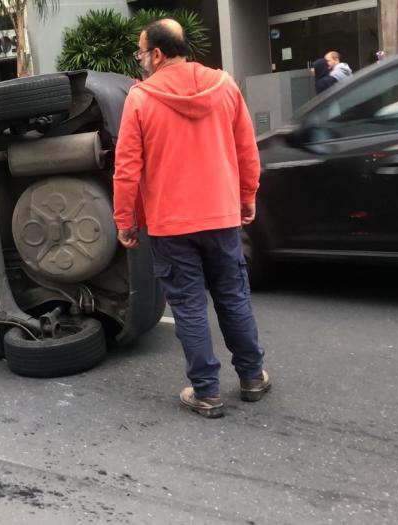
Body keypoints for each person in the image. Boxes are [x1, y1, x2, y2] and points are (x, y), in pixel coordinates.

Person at [113, 18, 270, 419]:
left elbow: (127, 167)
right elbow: (246, 151)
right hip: (221, 217)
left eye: (141, 52)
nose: (141, 60)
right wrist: (247, 197)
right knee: (233, 296)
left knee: (188, 307)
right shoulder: (224, 85)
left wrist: (125, 218)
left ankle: (207, 392)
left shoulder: (141, 99)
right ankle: (252, 377)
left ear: (158, 54)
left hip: (171, 224)